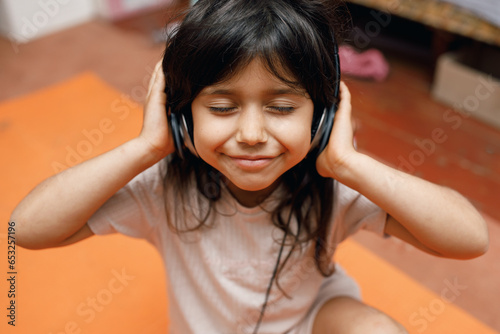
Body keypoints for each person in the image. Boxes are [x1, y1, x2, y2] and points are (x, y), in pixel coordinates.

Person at [11, 0, 488, 333]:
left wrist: (348, 162)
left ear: (322, 120)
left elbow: (470, 239)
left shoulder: (334, 183)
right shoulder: (161, 187)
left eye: (282, 108)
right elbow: (26, 230)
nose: (253, 134)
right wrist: (147, 147)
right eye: (221, 109)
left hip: (313, 319)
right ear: (181, 117)